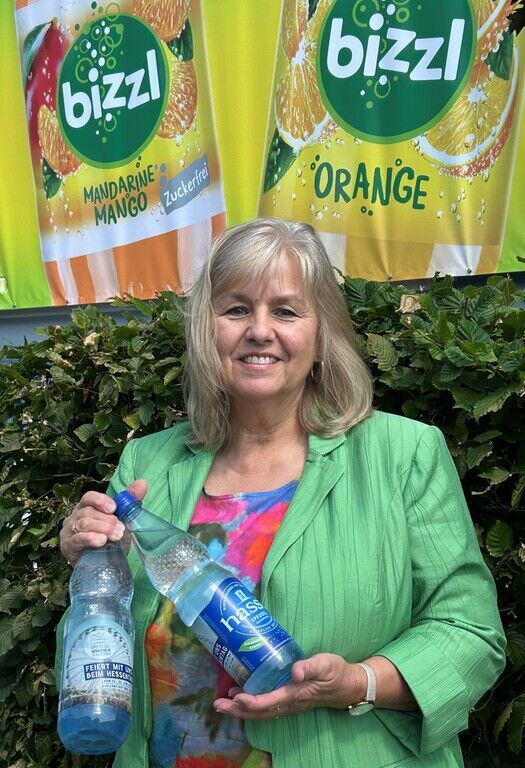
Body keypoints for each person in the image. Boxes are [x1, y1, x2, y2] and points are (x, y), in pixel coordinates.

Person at [57, 217, 506, 768]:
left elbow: (470, 632)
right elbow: (95, 651)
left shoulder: (403, 455)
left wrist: (359, 683)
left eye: (286, 311)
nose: (259, 330)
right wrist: (93, 569)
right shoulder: (147, 465)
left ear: (321, 339)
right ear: (206, 332)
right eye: (236, 309)